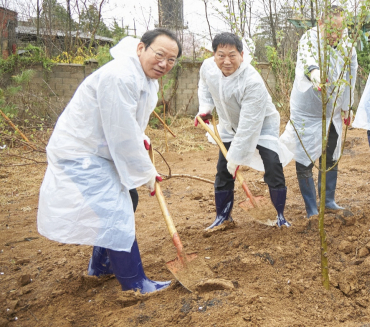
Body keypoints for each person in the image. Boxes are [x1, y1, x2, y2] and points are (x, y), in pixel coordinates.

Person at [38, 29, 182, 294]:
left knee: (129, 199)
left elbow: (129, 123)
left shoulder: (145, 79)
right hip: (82, 152)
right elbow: (121, 132)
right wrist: (145, 171)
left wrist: (142, 138)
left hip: (102, 150)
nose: (164, 64)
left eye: (171, 60)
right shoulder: (121, 75)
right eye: (159, 55)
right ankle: (134, 283)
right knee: (116, 210)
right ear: (141, 48)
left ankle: (102, 266)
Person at [195, 32, 293, 228]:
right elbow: (205, 85)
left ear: (241, 54)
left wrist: (236, 158)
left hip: (261, 124)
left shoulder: (251, 82)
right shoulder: (208, 67)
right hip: (229, 125)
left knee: (272, 164)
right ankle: (223, 216)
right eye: (221, 55)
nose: (227, 61)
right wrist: (205, 107)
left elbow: (249, 127)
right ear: (214, 55)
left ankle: (280, 215)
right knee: (223, 170)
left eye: (232, 55)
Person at [280, 6, 357, 217]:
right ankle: (312, 209)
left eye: (339, 30)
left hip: (332, 111)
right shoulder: (309, 39)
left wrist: (347, 106)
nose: (335, 35)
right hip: (307, 110)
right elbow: (308, 59)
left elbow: (351, 77)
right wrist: (315, 75)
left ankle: (328, 200)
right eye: (331, 29)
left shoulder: (348, 47)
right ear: (321, 24)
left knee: (331, 153)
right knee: (304, 156)